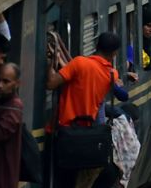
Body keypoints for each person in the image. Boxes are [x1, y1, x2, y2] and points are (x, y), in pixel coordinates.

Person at [45, 32, 122, 188]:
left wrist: (50, 64)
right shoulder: (112, 74)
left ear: (96, 46)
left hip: (65, 133)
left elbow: (51, 83)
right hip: (88, 138)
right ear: (114, 54)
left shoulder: (79, 63)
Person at [0, 63, 23, 188]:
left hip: (2, 179)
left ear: (17, 83)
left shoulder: (14, 107)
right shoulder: (3, 102)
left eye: (6, 81)